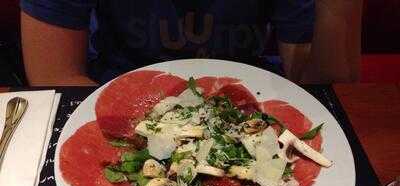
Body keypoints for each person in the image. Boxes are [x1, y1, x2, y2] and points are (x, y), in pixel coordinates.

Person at [20, 0, 363, 86]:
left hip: (249, 109)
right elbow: (53, 75)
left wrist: (338, 9)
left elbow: (315, 86)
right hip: (113, 96)